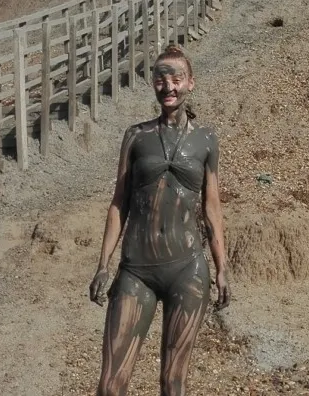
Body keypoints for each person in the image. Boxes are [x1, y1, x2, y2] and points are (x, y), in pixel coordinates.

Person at [89, 44, 230, 396]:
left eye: (176, 78)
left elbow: (212, 208)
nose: (168, 86)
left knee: (173, 382)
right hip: (137, 270)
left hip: (188, 270)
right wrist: (103, 264)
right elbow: (118, 203)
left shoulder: (206, 140)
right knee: (110, 384)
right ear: (152, 83)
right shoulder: (136, 137)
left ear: (190, 84)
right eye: (160, 78)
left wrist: (222, 266)